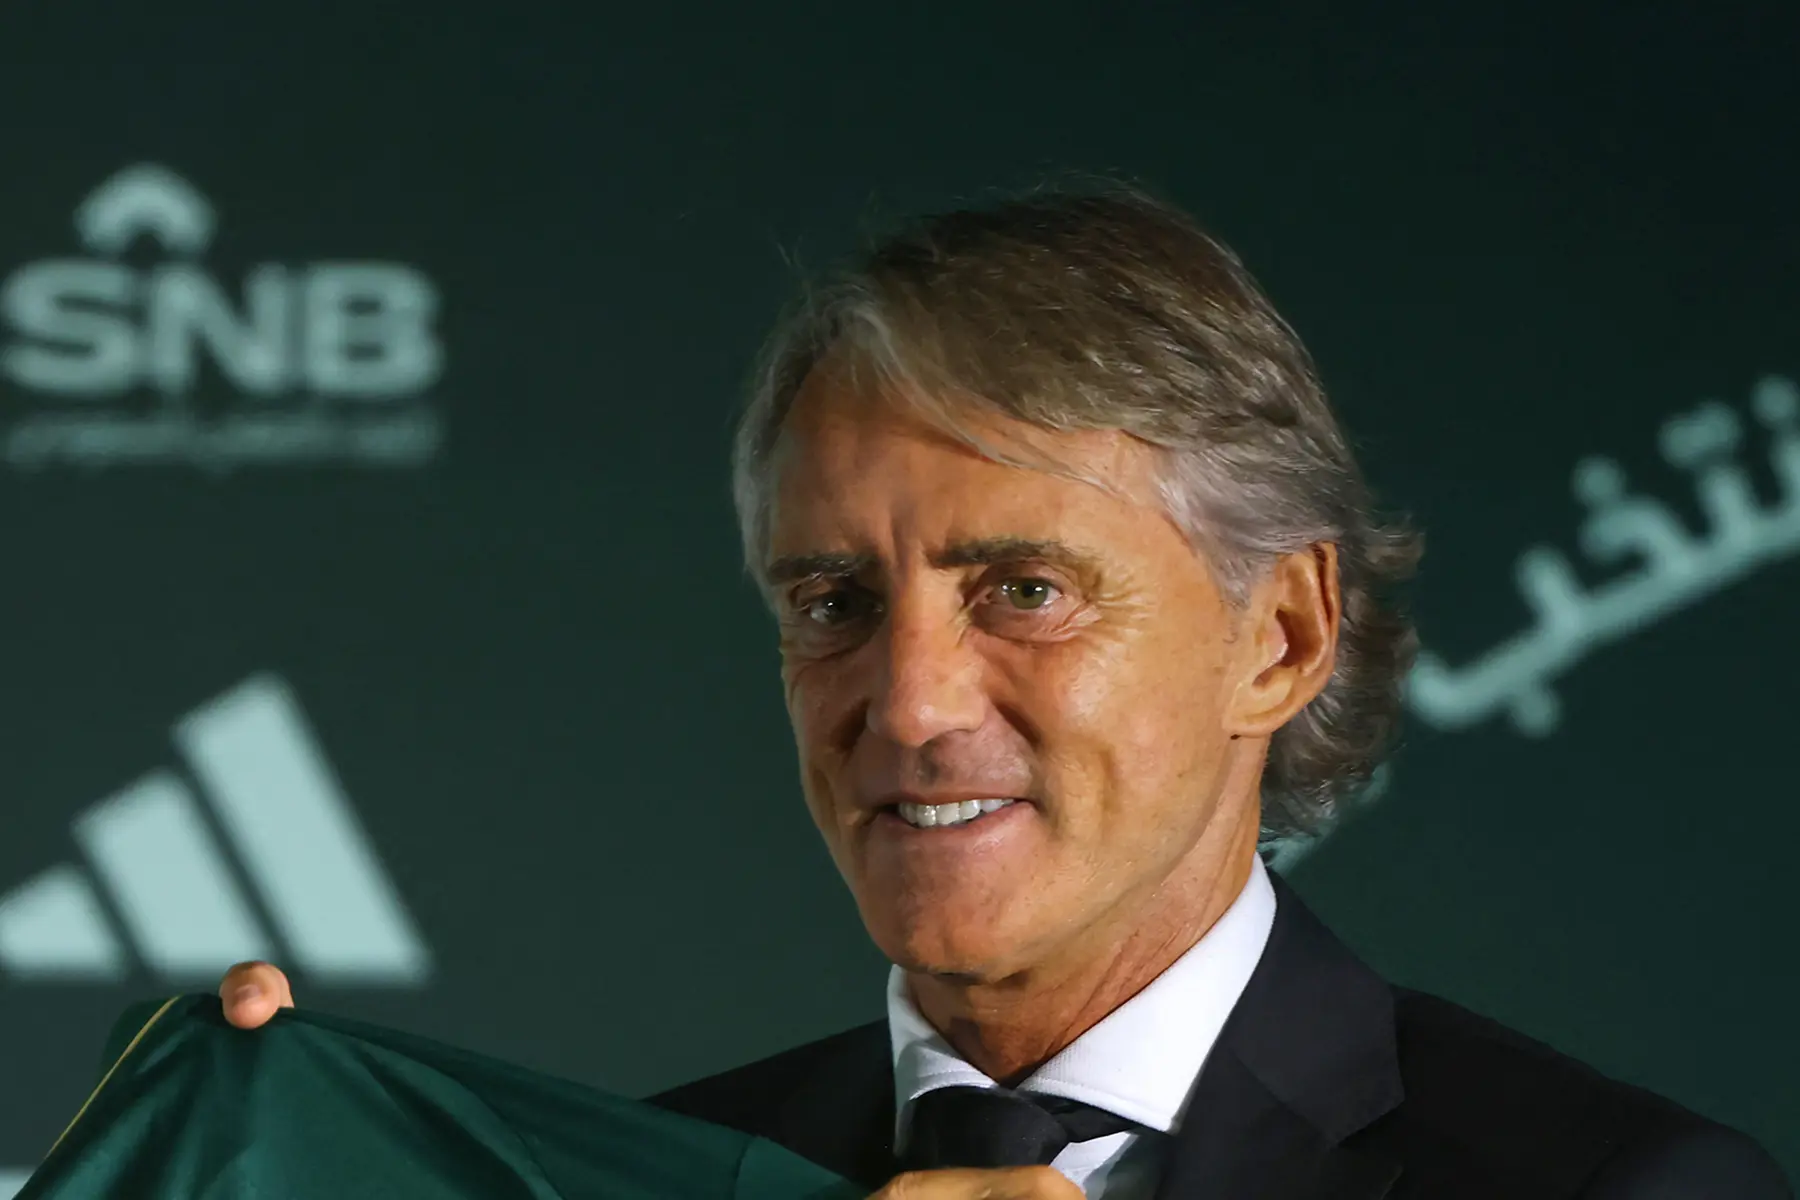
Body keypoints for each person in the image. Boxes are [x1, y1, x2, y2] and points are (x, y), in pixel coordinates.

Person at [219, 187, 1792, 1199]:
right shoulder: (645, 1183)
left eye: (1024, 591)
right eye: (833, 603)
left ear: (1282, 637)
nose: (907, 705)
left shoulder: (1623, 1193)